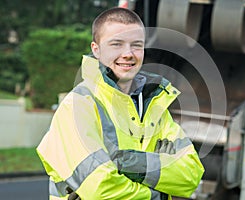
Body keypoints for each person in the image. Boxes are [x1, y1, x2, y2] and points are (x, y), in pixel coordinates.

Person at [37, 7, 204, 200]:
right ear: (96, 50)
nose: (128, 54)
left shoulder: (154, 106)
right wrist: (156, 193)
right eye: (116, 44)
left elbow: (191, 175)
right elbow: (99, 188)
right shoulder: (77, 106)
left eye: (136, 45)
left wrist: (123, 163)